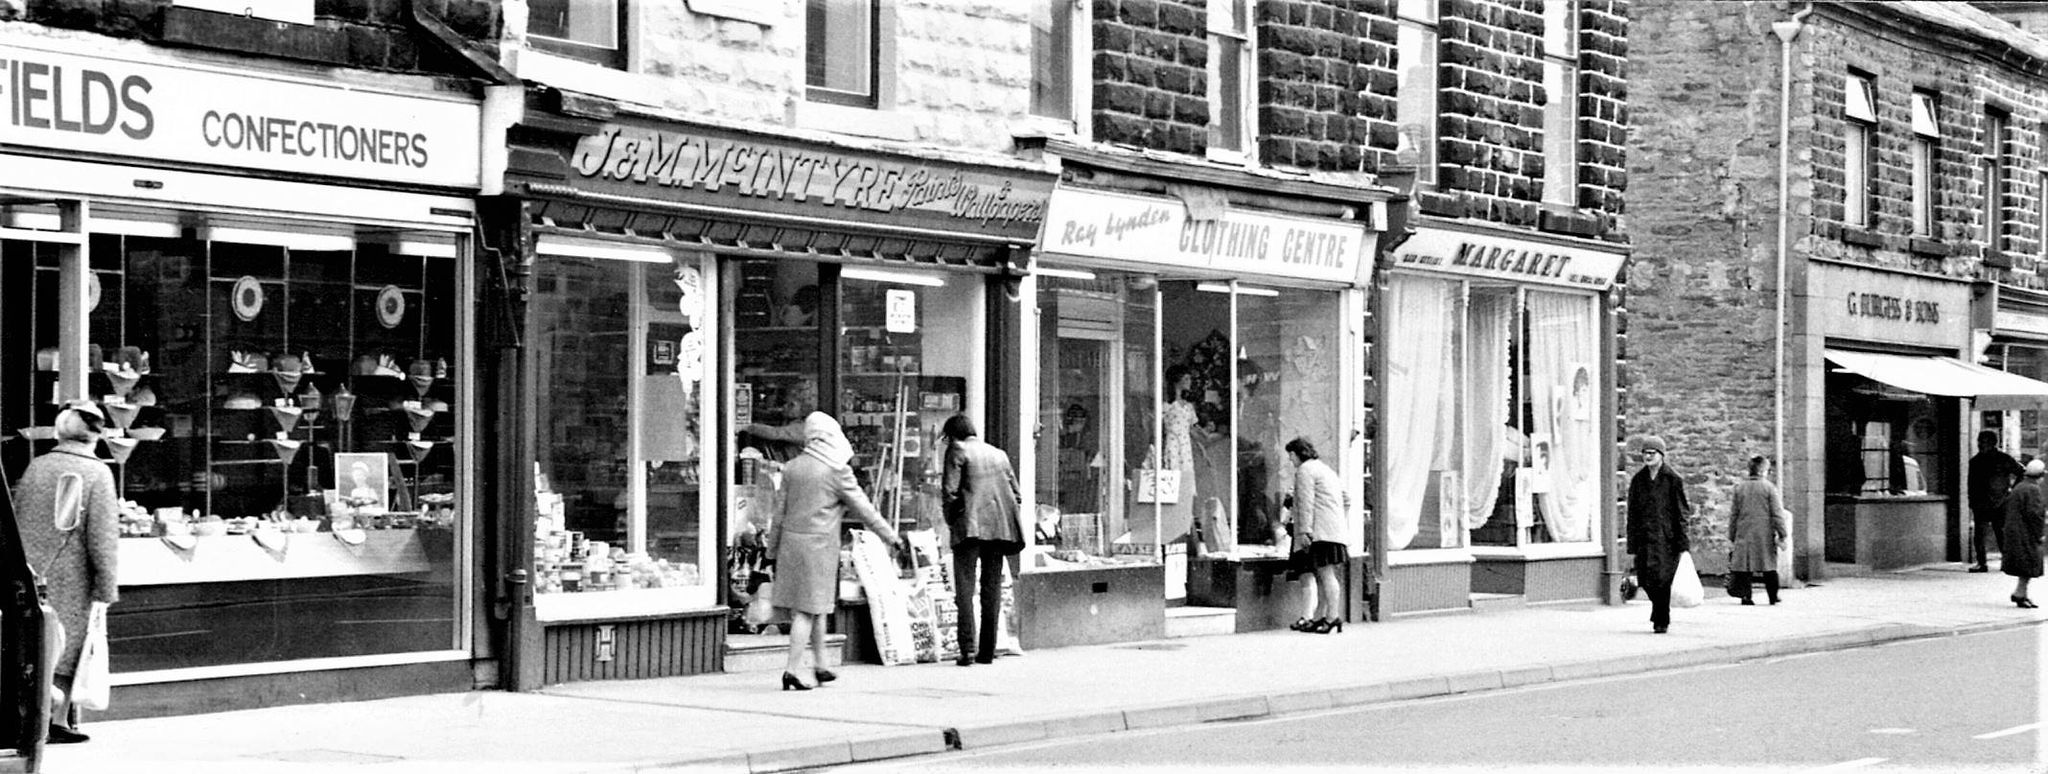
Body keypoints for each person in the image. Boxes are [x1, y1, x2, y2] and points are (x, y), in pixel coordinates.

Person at [767, 412, 901, 690]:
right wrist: (890, 536)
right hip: (818, 549)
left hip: (791, 545)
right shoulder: (836, 470)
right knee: (807, 611)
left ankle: (821, 665)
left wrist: (772, 551)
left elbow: (779, 514)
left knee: (817, 608)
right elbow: (864, 509)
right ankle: (792, 670)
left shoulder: (792, 467)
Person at [14, 400, 120, 743]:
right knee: (68, 649)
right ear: (96, 435)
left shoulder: (37, 466)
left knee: (36, 644)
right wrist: (107, 586)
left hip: (30, 571)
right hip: (73, 575)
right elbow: (103, 537)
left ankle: (33, 719)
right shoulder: (98, 473)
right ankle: (54, 722)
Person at [939, 415, 1023, 666]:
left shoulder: (957, 450)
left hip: (969, 527)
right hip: (998, 529)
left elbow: (950, 492)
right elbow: (1016, 495)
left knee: (965, 590)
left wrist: (952, 521)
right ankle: (987, 650)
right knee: (991, 589)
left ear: (952, 435)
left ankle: (967, 649)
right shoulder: (999, 454)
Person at [1625, 435, 1691, 634]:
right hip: (1644, 538)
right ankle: (1659, 611)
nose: (1648, 457)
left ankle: (1661, 620)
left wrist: (1682, 542)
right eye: (1645, 453)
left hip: (1666, 539)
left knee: (1662, 580)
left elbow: (1682, 512)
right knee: (1645, 579)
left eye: (1652, 453)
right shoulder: (1638, 480)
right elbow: (1632, 512)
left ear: (1661, 455)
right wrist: (1631, 542)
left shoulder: (1673, 479)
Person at [1284, 438, 1349, 634]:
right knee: (1326, 576)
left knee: (1326, 575)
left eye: (1291, 455)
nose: (1290, 460)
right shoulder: (1326, 470)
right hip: (1332, 531)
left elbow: (1305, 503)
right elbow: (1347, 499)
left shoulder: (1305, 470)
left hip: (1319, 532)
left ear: (1297, 454)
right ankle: (1324, 617)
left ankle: (1332, 618)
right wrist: (1337, 521)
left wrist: (1304, 531)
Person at [1726, 455, 1788, 606]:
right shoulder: (1769, 488)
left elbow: (1734, 514)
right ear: (1762, 471)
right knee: (1769, 566)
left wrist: (1732, 535)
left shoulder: (1740, 488)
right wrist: (1782, 533)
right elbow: (1777, 513)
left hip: (1744, 532)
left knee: (1745, 567)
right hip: (1764, 534)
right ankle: (1773, 596)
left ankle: (1746, 596)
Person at [1967, 431, 2023, 573]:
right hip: (1981, 503)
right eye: (1979, 441)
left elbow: (2021, 472)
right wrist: (1971, 501)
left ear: (1992, 443)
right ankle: (1981, 563)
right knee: (1979, 535)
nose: (1980, 445)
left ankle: (2007, 561)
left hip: (2000, 502)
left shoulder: (2003, 459)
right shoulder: (1975, 461)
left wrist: (2012, 491)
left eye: (1984, 442)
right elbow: (1971, 484)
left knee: (2001, 533)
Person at [2001, 459, 2045, 609]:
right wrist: (2040, 533)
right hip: (2026, 532)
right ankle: (2020, 593)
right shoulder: (2033, 490)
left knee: (2025, 564)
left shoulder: (2020, 486)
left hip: (2015, 530)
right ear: (2040, 476)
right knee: (2029, 563)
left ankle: (2021, 592)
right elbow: (2035, 514)